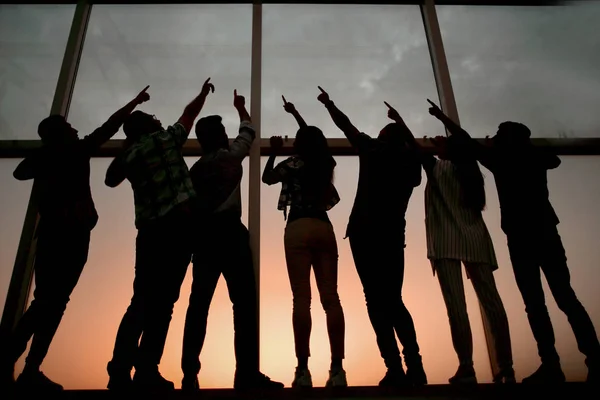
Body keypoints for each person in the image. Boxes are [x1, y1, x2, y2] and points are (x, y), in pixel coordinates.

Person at [426, 99, 599, 384]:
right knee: (566, 298)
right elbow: (553, 160)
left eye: (496, 135)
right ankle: (593, 357)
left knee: (535, 303)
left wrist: (443, 117)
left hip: (520, 239)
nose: (490, 139)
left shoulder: (500, 160)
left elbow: (466, 139)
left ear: (506, 140)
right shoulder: (534, 158)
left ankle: (551, 364)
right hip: (546, 233)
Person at [0, 86, 150, 392]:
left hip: (67, 234)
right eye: (69, 128)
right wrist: (133, 102)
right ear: (58, 134)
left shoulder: (58, 154)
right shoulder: (74, 150)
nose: (76, 129)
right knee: (49, 303)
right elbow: (108, 126)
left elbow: (21, 171)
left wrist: (133, 102)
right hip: (67, 235)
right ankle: (18, 363)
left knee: (51, 303)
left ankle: (27, 367)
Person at [384, 102, 515, 384]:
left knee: (456, 306)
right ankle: (505, 365)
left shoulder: (438, 168)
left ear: (449, 150)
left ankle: (466, 366)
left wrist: (401, 119)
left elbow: (415, 148)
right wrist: (443, 118)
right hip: (476, 240)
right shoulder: (472, 174)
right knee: (492, 303)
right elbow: (464, 140)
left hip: (445, 242)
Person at [104, 78, 214, 392]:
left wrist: (128, 148)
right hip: (178, 229)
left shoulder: (130, 154)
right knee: (164, 302)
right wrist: (203, 92)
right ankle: (147, 369)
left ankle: (120, 370)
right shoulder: (166, 139)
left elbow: (111, 180)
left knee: (140, 301)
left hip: (149, 233)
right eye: (154, 119)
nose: (159, 120)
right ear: (148, 126)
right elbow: (189, 115)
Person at [316, 87, 426, 387]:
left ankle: (394, 368)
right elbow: (418, 154)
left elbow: (346, 125)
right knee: (393, 300)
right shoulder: (410, 165)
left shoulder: (373, 150)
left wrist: (329, 103)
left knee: (375, 301)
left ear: (384, 138)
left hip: (364, 234)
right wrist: (402, 123)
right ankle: (413, 364)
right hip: (391, 236)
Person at [180, 90, 283, 391]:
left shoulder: (195, 171)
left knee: (198, 305)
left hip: (205, 240)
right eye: (223, 132)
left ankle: (189, 373)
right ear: (219, 137)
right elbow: (248, 132)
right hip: (231, 235)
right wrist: (241, 108)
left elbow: (189, 209)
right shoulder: (230, 158)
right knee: (244, 305)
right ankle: (247, 374)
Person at [262, 96, 347, 388]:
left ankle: (302, 370)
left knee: (302, 299)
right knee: (331, 299)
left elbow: (267, 178)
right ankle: (337, 370)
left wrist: (273, 152)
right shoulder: (325, 162)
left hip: (297, 225)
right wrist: (297, 115)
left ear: (298, 144)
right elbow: (315, 140)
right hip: (323, 227)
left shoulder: (293, 162)